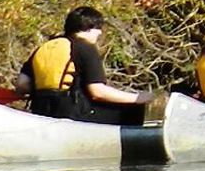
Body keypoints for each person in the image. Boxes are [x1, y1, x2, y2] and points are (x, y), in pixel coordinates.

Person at [14, 7, 153, 125]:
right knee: (134, 109)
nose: (100, 32)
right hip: (74, 114)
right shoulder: (85, 48)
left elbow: (21, 85)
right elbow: (97, 92)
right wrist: (138, 98)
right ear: (88, 28)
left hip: (40, 112)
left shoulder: (44, 47)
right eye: (98, 28)